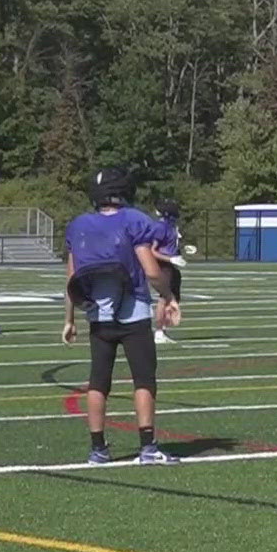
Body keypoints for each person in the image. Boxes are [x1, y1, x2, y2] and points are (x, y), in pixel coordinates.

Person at [63, 166, 181, 465]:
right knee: (143, 379)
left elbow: (72, 277)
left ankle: (98, 449)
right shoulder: (135, 220)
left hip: (96, 314)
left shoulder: (78, 225)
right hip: (133, 311)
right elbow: (152, 270)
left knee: (98, 381)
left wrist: (69, 319)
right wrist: (168, 297)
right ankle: (147, 447)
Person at [148, 198, 187, 345]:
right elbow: (152, 251)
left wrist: (177, 256)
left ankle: (163, 330)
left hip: (171, 266)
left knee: (173, 297)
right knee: (164, 297)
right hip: (163, 265)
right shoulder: (161, 226)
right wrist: (170, 259)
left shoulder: (171, 226)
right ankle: (158, 332)